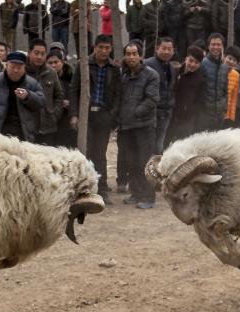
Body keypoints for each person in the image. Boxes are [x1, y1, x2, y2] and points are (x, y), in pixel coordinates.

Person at [70, 34, 120, 204]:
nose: (104, 51)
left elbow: (117, 95)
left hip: (104, 115)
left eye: (107, 48)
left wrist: (112, 115)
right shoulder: (83, 65)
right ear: (94, 47)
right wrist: (75, 114)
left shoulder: (114, 68)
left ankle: (102, 189)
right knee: (85, 152)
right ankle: (83, 189)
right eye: (101, 47)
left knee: (100, 154)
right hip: (86, 116)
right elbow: (73, 90)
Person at [117, 41, 159, 209]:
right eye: (128, 54)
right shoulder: (123, 75)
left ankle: (149, 196)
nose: (131, 57)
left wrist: (135, 112)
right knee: (131, 161)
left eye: (135, 54)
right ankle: (136, 193)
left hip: (144, 126)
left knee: (145, 162)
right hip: (126, 127)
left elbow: (152, 99)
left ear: (141, 56)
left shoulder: (151, 75)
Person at [25, 39, 65, 145]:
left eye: (42, 54)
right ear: (29, 53)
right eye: (36, 53)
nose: (39, 57)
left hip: (47, 127)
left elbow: (59, 95)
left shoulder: (51, 72)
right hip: (27, 127)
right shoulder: (22, 71)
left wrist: (54, 114)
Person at [166, 46, 206, 144]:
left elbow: (199, 100)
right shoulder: (174, 71)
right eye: (191, 60)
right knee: (164, 144)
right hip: (170, 115)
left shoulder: (200, 79)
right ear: (185, 59)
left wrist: (191, 111)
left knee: (181, 145)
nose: (192, 64)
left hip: (186, 119)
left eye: (196, 62)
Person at [144, 37, 176, 153]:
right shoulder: (148, 64)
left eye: (169, 49)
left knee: (160, 143)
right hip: (152, 111)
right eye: (164, 48)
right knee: (149, 143)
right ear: (157, 48)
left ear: (173, 51)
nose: (167, 52)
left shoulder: (171, 68)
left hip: (166, 112)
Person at [46, 49, 76, 148]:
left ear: (62, 62)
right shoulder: (44, 78)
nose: (53, 65)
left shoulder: (71, 78)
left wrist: (70, 103)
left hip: (67, 121)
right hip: (50, 121)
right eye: (50, 63)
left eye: (56, 62)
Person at [198, 34, 227, 131]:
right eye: (213, 44)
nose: (216, 47)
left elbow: (225, 90)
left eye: (218, 44)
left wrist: (224, 109)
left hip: (219, 114)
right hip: (204, 113)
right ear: (208, 46)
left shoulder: (224, 67)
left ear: (222, 46)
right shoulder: (202, 64)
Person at [222, 46, 240, 127]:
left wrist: (231, 117)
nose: (231, 62)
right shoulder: (217, 70)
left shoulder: (236, 75)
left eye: (234, 60)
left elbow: (234, 98)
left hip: (227, 115)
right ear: (224, 57)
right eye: (229, 58)